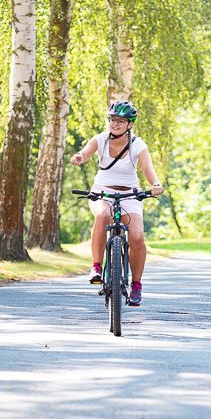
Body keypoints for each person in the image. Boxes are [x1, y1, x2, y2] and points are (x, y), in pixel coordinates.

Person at [70, 101, 164, 306]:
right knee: (103, 215)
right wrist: (79, 157)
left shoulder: (138, 144)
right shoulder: (101, 139)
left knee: (137, 236)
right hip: (102, 193)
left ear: (130, 124)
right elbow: (86, 152)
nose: (115, 124)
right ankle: (96, 266)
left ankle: (136, 285)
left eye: (120, 121)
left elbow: (148, 168)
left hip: (130, 195)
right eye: (112, 120)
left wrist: (155, 184)